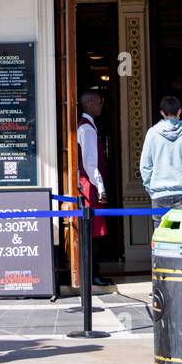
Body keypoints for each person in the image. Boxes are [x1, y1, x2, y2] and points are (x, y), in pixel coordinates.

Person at [139, 96, 182, 223]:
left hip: (160, 193)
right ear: (180, 111)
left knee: (161, 237)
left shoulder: (152, 133)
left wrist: (151, 188)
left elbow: (145, 166)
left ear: (162, 113)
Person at [76, 91, 109, 286]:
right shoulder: (86, 129)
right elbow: (90, 163)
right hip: (90, 185)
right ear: (88, 103)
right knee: (93, 231)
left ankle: (92, 271)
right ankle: (91, 273)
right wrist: (101, 187)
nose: (101, 105)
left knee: (93, 230)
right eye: (98, 102)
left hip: (89, 183)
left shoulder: (87, 126)